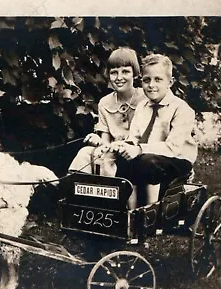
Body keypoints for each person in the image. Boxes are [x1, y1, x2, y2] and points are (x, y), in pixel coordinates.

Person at [110, 53, 198, 207]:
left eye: (158, 80)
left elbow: (173, 148)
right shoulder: (142, 107)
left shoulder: (182, 109)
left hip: (177, 160)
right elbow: (135, 137)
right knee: (124, 160)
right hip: (149, 156)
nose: (151, 85)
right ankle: (131, 211)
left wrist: (138, 149)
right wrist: (125, 146)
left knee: (147, 161)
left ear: (170, 82)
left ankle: (150, 214)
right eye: (146, 80)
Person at [69, 47, 145, 175]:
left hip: (137, 151)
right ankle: (77, 189)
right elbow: (105, 141)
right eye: (114, 72)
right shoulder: (105, 103)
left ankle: (114, 190)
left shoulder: (145, 97)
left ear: (135, 73)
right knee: (85, 153)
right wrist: (98, 140)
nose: (119, 77)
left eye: (125, 72)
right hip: (113, 152)